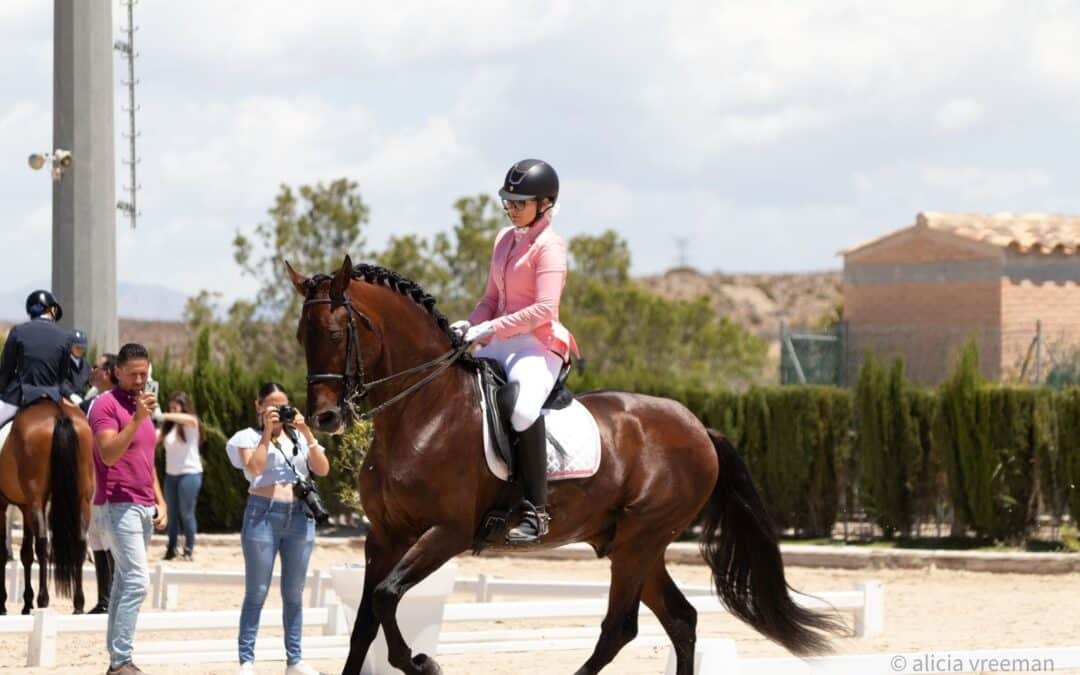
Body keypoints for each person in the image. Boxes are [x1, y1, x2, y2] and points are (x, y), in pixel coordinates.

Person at [449, 159, 579, 544]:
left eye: (520, 202)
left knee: (520, 409)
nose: (512, 209)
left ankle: (536, 510)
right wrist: (467, 324)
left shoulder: (550, 247)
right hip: (500, 340)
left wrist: (489, 328)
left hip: (538, 344)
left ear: (544, 204)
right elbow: (491, 299)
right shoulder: (504, 241)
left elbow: (544, 310)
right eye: (509, 201)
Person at [226, 382, 330, 675]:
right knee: (257, 591)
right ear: (258, 406)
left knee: (294, 593)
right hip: (263, 515)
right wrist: (266, 436)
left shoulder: (298, 437)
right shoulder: (245, 437)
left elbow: (322, 469)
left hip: (300, 517)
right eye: (271, 405)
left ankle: (294, 660)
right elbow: (255, 469)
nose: (277, 410)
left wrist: (307, 432)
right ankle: (247, 661)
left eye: (282, 405)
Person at [89, 342, 167, 675]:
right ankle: (121, 659)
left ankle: (116, 662)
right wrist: (136, 420)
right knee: (137, 581)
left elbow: (145, 459)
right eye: (133, 374)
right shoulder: (103, 406)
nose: (140, 380)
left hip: (142, 504)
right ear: (116, 372)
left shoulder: (143, 407)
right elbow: (109, 454)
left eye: (144, 374)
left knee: (123, 582)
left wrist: (159, 499)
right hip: (116, 503)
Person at [0, 290, 76, 429]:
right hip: (53, 395)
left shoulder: (18, 331)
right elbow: (63, 375)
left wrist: (3, 389)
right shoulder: (65, 337)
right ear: (50, 309)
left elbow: (7, 369)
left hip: (22, 393)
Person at [85, 352, 118, 614]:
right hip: (93, 478)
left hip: (111, 479)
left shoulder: (113, 402)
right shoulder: (91, 399)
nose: (92, 370)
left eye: (97, 367)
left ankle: (114, 597)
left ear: (109, 373)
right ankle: (104, 598)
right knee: (95, 537)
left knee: (109, 538)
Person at [158, 391, 205, 561]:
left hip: (190, 474)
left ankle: (188, 549)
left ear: (183, 408)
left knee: (186, 513)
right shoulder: (168, 428)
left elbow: (190, 419)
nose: (172, 411)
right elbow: (154, 439)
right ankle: (171, 548)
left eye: (175, 408)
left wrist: (163, 414)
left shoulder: (191, 423)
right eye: (170, 408)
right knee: (172, 513)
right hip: (171, 475)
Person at [65, 329, 92, 405]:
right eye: (77, 347)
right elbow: (61, 382)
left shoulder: (86, 365)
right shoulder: (63, 363)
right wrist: (71, 394)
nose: (80, 350)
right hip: (67, 399)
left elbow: (90, 381)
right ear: (70, 346)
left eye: (82, 347)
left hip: (82, 400)